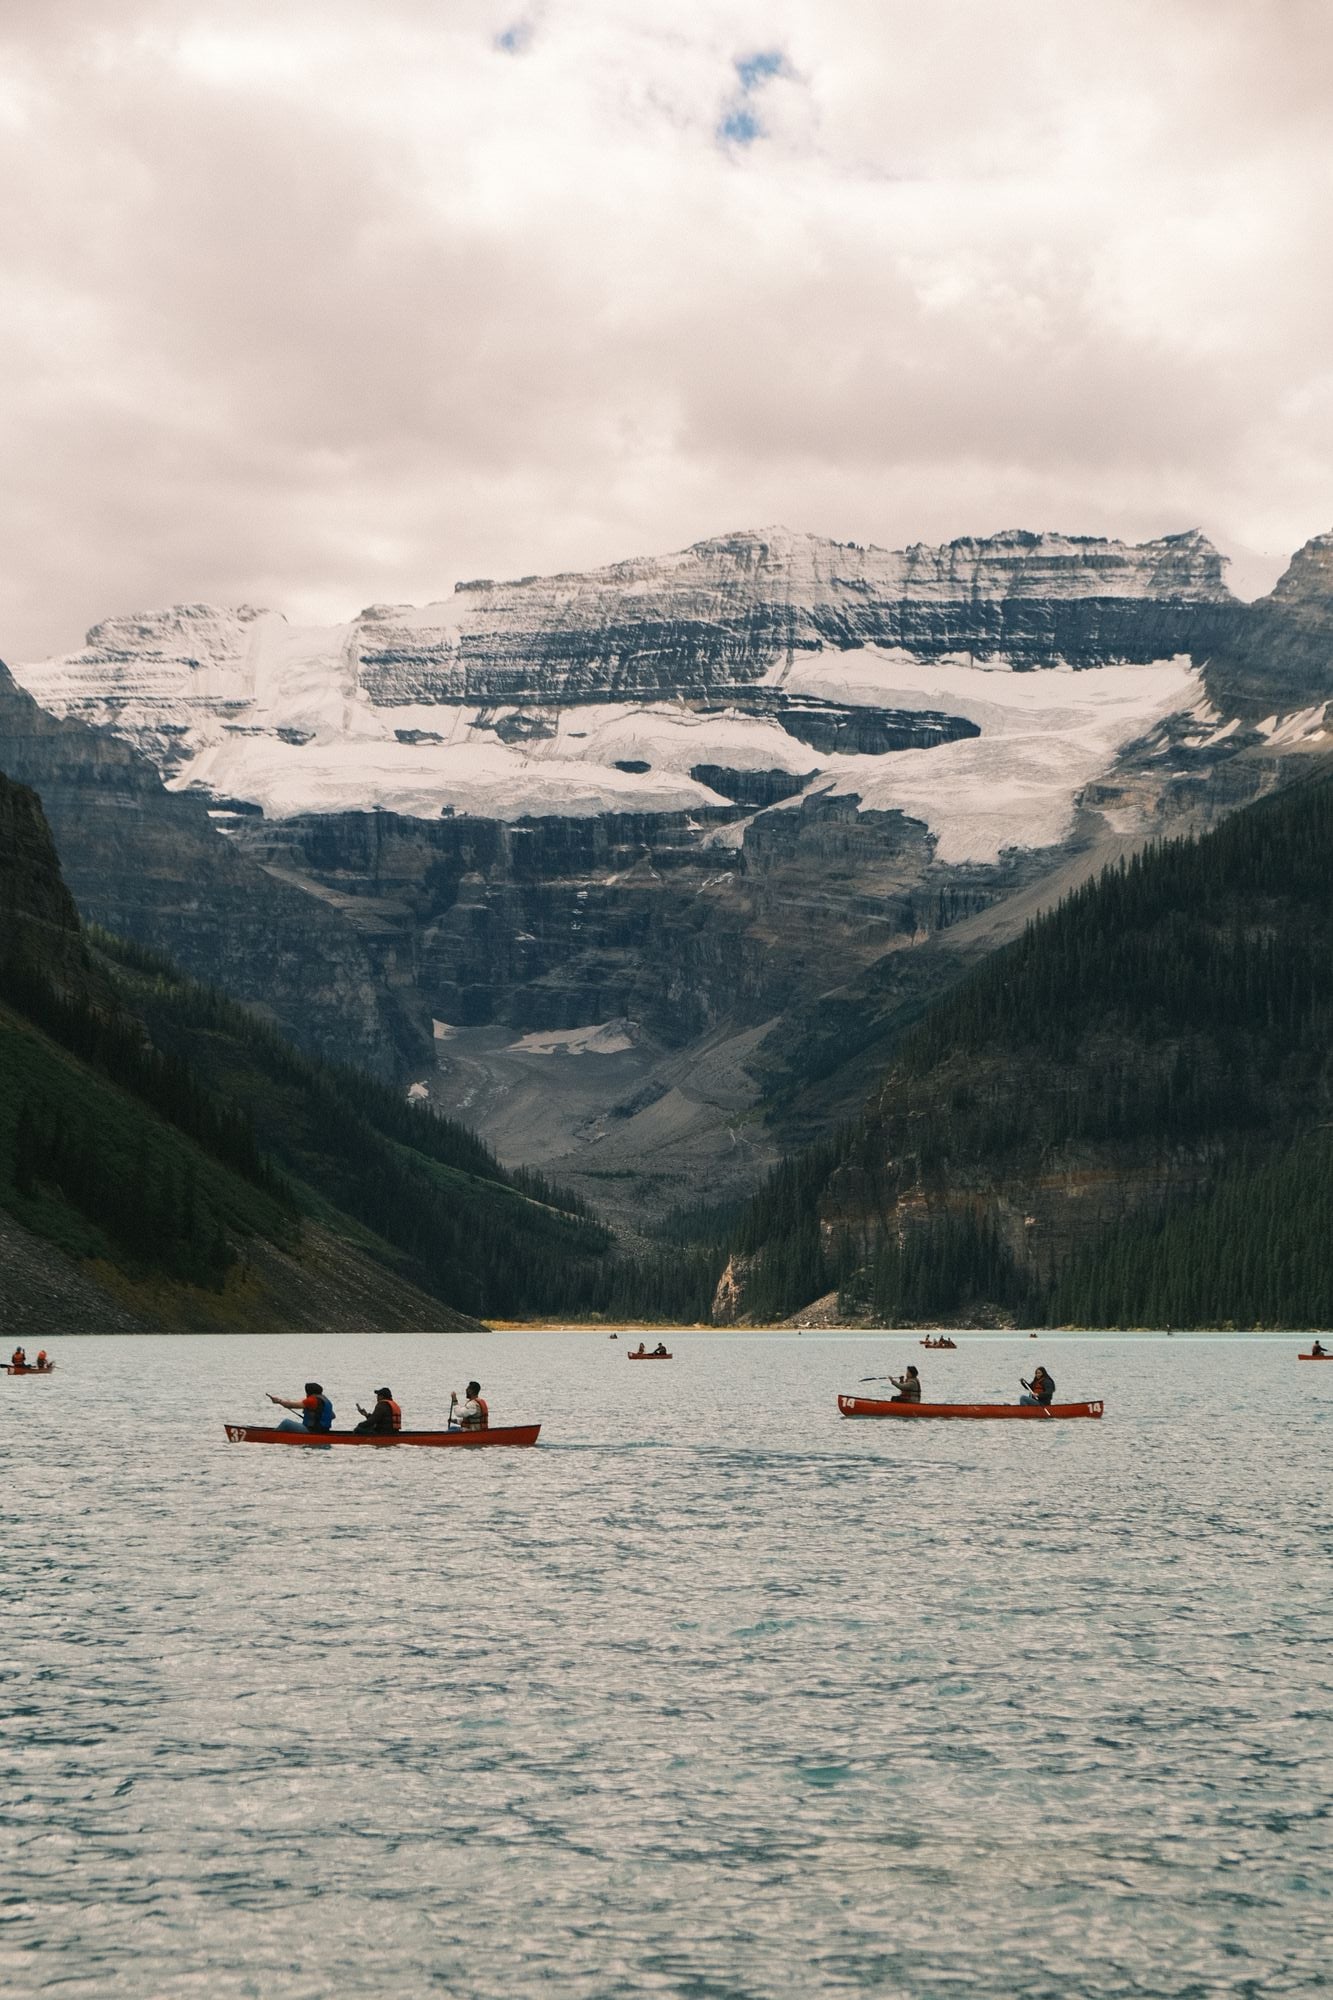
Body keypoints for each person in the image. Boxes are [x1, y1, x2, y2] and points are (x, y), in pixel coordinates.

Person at [268, 1382, 335, 1432]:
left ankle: (271, 1436)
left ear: (309, 1392)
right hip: (324, 1430)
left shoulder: (312, 1400)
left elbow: (292, 1405)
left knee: (286, 1423)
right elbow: (332, 1416)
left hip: (312, 1430)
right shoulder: (325, 1400)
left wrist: (279, 1401)